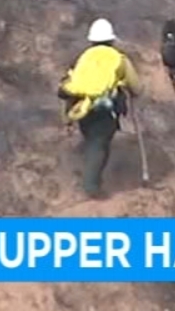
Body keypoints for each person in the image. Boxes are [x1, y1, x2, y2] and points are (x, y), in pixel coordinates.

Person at [58, 18, 141, 199]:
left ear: (92, 40)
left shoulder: (82, 58)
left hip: (82, 109)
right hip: (105, 111)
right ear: (111, 40)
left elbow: (69, 84)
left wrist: (66, 117)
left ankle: (89, 173)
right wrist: (131, 91)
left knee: (92, 140)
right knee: (99, 144)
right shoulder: (120, 59)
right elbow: (137, 87)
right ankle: (91, 186)